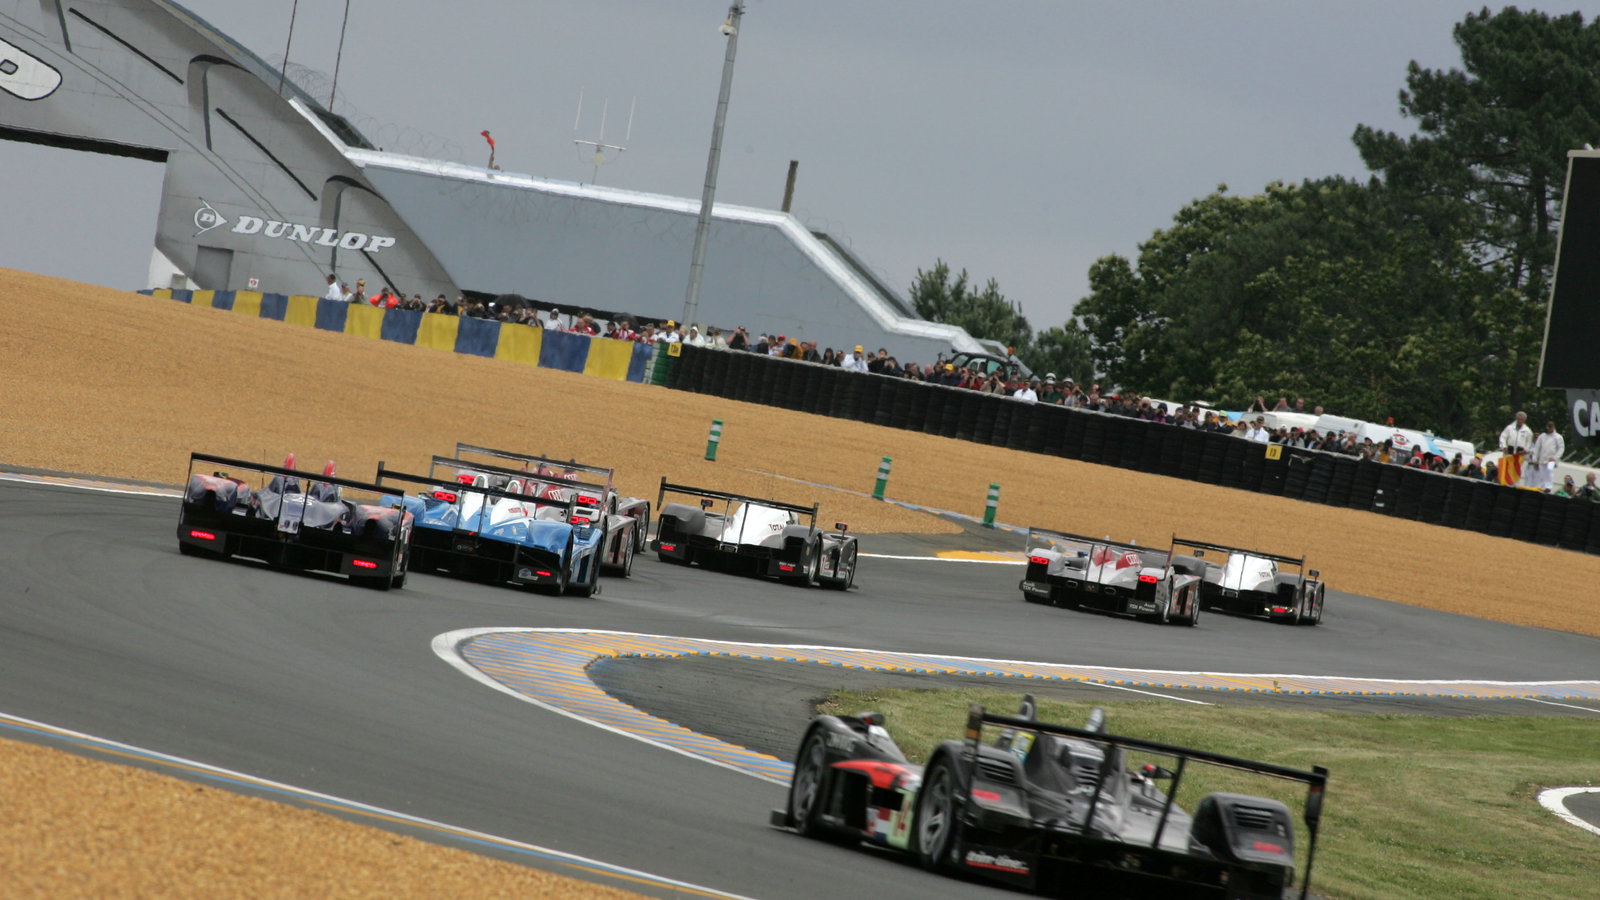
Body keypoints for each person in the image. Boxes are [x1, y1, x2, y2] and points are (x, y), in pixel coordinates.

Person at [1497, 411, 1534, 486]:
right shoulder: (1509, 428)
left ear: (1524, 420)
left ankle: (1514, 485)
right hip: (1509, 452)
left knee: (1516, 470)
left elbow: (1529, 443)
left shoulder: (1527, 431)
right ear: (1516, 418)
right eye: (1519, 418)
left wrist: (1525, 450)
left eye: (1522, 419)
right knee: (1506, 469)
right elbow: (1503, 437)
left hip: (1519, 454)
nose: (1520, 420)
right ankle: (1504, 484)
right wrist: (1504, 447)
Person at [1527, 420, 1565, 491]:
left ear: (1553, 427)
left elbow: (1561, 449)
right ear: (1547, 427)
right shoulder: (1542, 436)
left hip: (1551, 459)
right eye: (1548, 427)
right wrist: (1535, 459)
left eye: (1551, 427)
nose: (1549, 428)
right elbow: (1537, 448)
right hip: (1542, 459)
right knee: (1542, 474)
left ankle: (1549, 486)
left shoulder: (1558, 437)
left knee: (1549, 470)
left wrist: (1555, 458)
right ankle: (1541, 487)